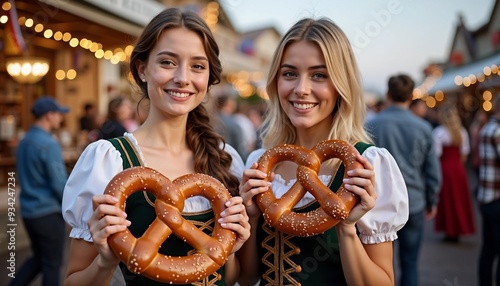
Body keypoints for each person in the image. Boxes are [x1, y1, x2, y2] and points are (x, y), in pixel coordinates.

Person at [62, 8, 250, 286]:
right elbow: (72, 281)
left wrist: (231, 254)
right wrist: (104, 260)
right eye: (168, 62)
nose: (183, 78)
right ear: (142, 69)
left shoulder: (226, 159)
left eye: (198, 66)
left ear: (208, 79)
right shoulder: (108, 160)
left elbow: (234, 280)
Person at [237, 17, 409, 286]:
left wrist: (347, 227)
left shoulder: (367, 166)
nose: (301, 89)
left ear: (341, 84)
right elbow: (247, 279)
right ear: (276, 81)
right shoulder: (259, 163)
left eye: (319, 75)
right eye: (289, 73)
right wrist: (251, 216)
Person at [366, 74, 442, 286]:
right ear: (411, 97)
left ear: (388, 94)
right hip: (413, 201)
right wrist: (432, 199)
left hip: (377, 204)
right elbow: (432, 170)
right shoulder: (424, 127)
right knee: (409, 263)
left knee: (377, 266)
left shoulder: (372, 125)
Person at [11, 96, 69, 286]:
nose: (60, 118)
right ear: (49, 115)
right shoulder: (48, 143)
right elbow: (59, 184)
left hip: (29, 211)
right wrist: (73, 207)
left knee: (39, 259)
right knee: (52, 264)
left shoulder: (25, 140)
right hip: (47, 213)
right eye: (58, 114)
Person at [432, 105, 475, 242]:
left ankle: (449, 231)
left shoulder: (439, 132)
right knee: (459, 199)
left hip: (445, 168)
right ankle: (458, 230)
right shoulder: (462, 132)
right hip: (458, 169)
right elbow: (464, 155)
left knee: (447, 200)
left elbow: (436, 154)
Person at [477, 96, 500, 286]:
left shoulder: (486, 128)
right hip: (496, 199)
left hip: (486, 196)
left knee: (488, 249)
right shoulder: (497, 131)